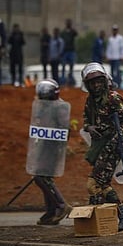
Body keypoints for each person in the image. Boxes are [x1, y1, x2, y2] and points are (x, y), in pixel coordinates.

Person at [81, 62, 123, 232]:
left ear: (104, 81)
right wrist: (90, 128)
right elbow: (86, 121)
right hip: (98, 146)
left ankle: (111, 217)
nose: (96, 85)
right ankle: (118, 218)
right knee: (102, 184)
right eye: (92, 83)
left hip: (113, 146)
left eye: (99, 81)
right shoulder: (90, 101)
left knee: (94, 183)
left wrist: (118, 135)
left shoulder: (113, 98)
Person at [31, 79, 72, 225]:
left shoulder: (59, 107)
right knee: (42, 176)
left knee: (41, 177)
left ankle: (61, 205)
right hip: (44, 146)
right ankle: (51, 211)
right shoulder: (44, 107)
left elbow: (65, 129)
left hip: (53, 148)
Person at [60, 18, 78, 86]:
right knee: (63, 65)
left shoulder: (72, 32)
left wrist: (72, 28)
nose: (68, 24)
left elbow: (76, 34)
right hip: (65, 51)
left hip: (71, 51)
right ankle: (63, 79)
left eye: (69, 23)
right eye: (68, 23)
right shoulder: (63, 32)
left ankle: (70, 79)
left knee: (71, 65)